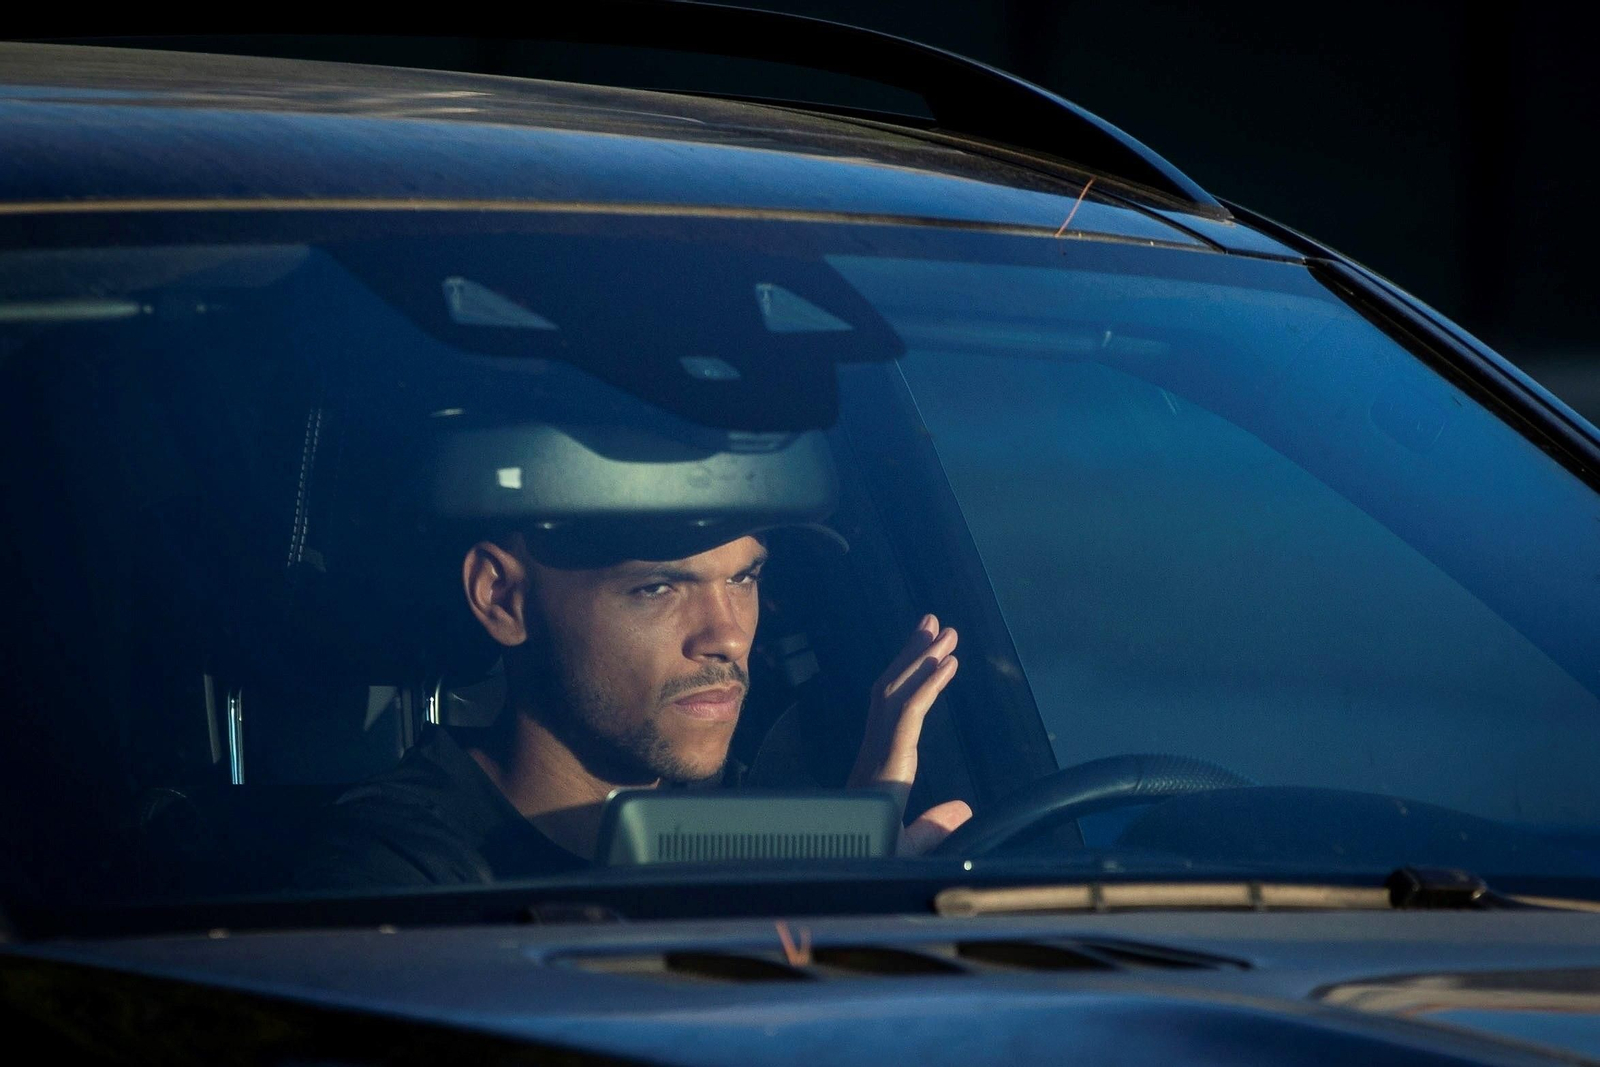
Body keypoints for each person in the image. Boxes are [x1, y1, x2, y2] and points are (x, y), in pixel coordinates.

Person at [295, 527, 971, 888]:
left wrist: (849, 863)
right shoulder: (390, 881)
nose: (730, 636)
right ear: (503, 597)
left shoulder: (756, 826)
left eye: (744, 577)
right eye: (657, 588)